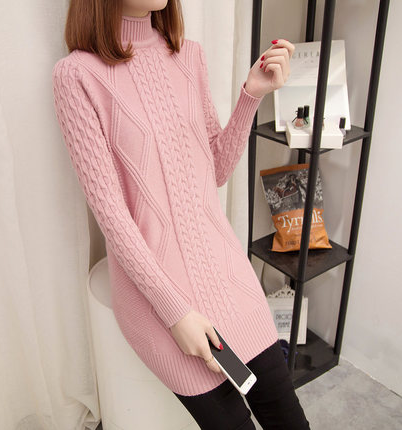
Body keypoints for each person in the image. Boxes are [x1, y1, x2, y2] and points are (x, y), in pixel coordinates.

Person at [52, 0, 310, 428]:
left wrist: (252, 95)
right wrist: (177, 314)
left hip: (228, 274)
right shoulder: (77, 75)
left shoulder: (189, 56)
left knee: (290, 420)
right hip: (156, 296)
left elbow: (216, 170)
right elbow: (113, 218)